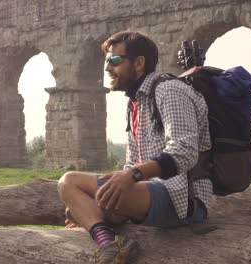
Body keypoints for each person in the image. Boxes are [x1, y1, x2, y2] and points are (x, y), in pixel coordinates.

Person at [57, 30, 212, 263]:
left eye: (114, 60)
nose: (107, 68)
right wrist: (123, 176)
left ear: (138, 63)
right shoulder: (137, 101)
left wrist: (131, 175)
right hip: (152, 190)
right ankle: (109, 241)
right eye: (106, 61)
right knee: (75, 195)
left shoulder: (170, 90)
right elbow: (132, 161)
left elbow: (185, 151)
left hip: (181, 197)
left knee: (72, 186)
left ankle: (102, 233)